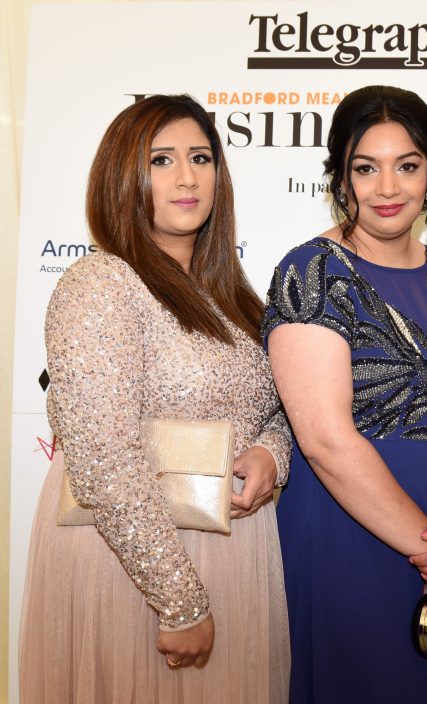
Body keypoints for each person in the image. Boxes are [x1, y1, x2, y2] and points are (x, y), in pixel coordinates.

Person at [20, 95, 291, 702]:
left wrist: (272, 455)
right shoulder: (100, 283)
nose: (187, 177)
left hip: (233, 550)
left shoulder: (235, 297)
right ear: (122, 176)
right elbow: (102, 458)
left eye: (201, 157)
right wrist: (179, 600)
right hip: (133, 565)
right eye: (161, 160)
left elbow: (278, 412)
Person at [263, 85, 427, 703]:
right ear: (341, 178)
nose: (388, 188)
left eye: (407, 165)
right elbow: (325, 441)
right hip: (351, 534)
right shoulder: (312, 272)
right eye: (366, 168)